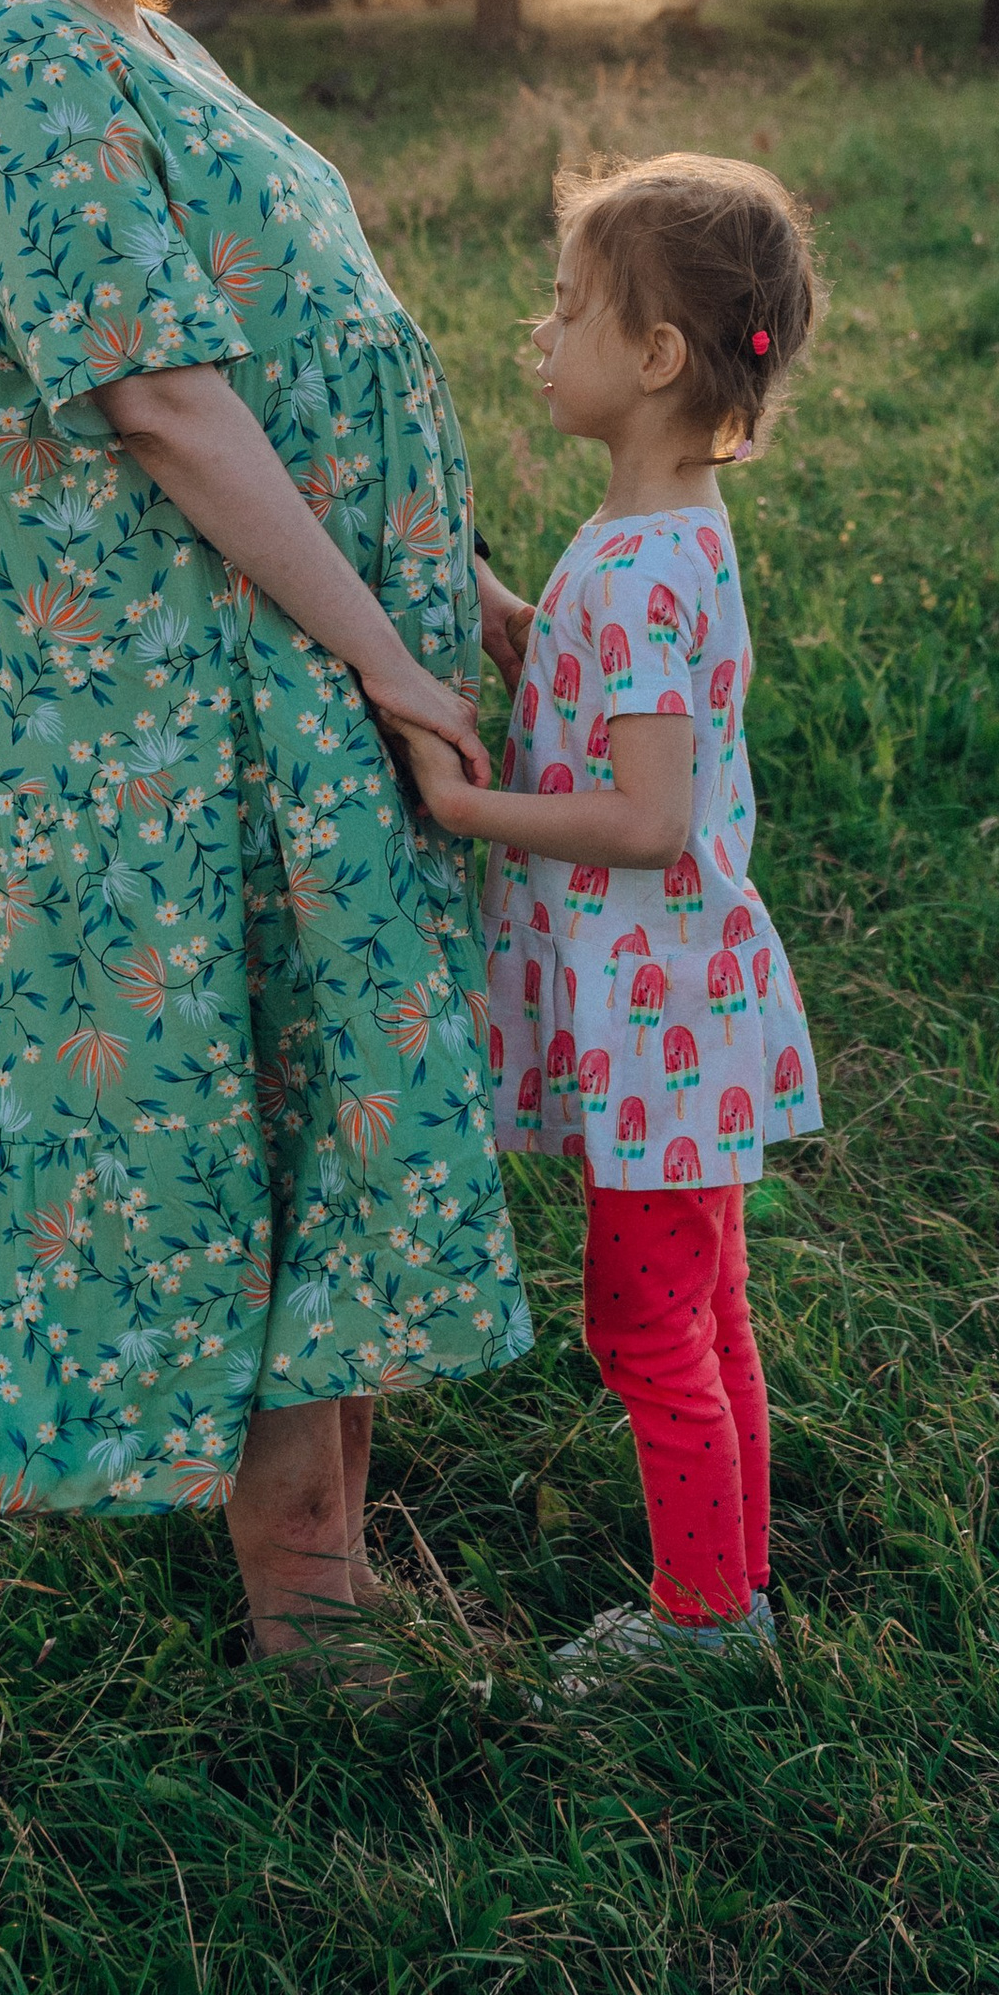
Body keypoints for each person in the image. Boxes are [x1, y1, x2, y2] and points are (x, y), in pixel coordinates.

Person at [0, 0, 533, 1660]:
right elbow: (162, 399)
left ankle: (327, 1557)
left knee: (327, 1091)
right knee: (256, 1104)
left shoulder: (129, 29)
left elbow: (290, 339)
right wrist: (387, 657)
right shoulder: (12, 54)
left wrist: (465, 581)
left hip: (279, 659)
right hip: (174, 702)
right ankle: (306, 1608)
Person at [400, 153, 822, 1684]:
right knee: (707, 1309)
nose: (545, 332)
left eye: (571, 308)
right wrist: (522, 624)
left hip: (651, 1021)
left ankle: (707, 1623)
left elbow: (644, 822)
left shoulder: (647, 566)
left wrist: (466, 811)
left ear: (655, 358)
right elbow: (617, 712)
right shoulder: (660, 537)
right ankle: (738, 1589)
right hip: (682, 1013)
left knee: (647, 1329)